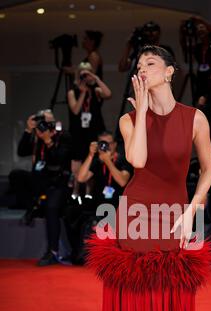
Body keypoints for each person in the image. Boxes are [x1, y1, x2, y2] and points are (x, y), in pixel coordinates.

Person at [86, 45, 211, 311]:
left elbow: (207, 169)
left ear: (171, 72)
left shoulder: (195, 118)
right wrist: (141, 111)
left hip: (175, 216)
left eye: (152, 63)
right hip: (136, 215)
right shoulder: (129, 119)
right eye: (139, 65)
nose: (143, 69)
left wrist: (194, 207)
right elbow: (138, 161)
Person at [64, 131, 133, 264]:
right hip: (98, 203)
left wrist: (108, 161)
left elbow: (122, 181)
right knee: (71, 212)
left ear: (114, 145)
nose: (105, 146)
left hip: (119, 204)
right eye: (102, 143)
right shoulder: (97, 162)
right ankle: (79, 253)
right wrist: (90, 155)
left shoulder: (124, 160)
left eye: (107, 143)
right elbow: (81, 177)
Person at [17, 109, 72, 266]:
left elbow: (58, 159)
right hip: (39, 180)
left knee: (51, 206)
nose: (43, 125)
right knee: (16, 176)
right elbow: (21, 151)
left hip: (58, 183)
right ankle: (33, 206)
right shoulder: (36, 137)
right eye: (41, 121)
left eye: (46, 121)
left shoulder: (63, 137)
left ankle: (53, 251)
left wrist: (48, 140)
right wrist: (28, 130)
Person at [67, 62, 112, 201]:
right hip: (79, 133)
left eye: (88, 73)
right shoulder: (72, 91)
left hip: (93, 131)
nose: (85, 77)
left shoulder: (96, 90)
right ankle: (75, 191)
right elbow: (75, 110)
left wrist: (96, 78)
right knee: (77, 163)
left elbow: (108, 94)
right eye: (83, 73)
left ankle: (89, 192)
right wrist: (83, 92)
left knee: (91, 161)